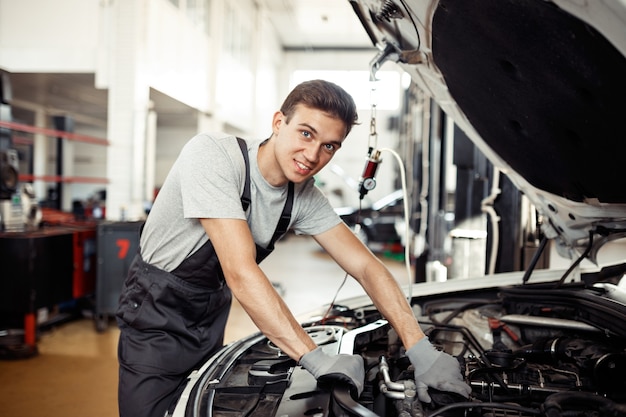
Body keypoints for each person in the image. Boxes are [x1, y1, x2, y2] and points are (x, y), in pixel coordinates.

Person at [116, 79, 471, 416]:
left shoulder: (302, 198)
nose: (313, 154)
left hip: (209, 311)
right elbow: (240, 272)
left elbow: (366, 266)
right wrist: (316, 359)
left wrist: (420, 349)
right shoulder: (213, 156)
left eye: (329, 145)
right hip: (157, 311)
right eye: (306, 133)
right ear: (278, 122)